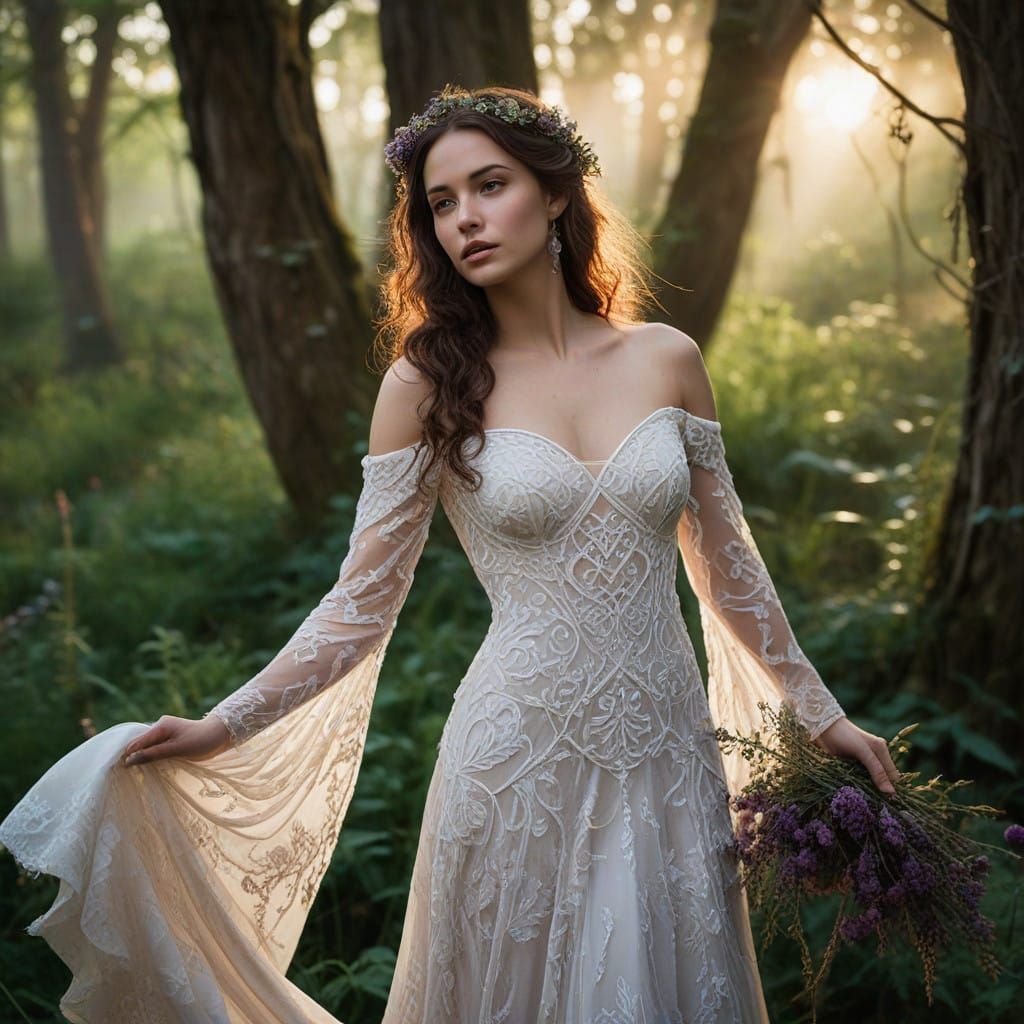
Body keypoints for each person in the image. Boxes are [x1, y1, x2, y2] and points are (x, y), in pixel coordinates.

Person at [0, 84, 900, 1023]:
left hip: (668, 757)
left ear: (554, 194)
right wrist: (222, 726)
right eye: (441, 203)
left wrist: (821, 713)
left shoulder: (667, 358)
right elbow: (361, 604)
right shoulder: (425, 385)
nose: (465, 217)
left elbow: (729, 570)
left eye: (490, 185)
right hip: (517, 765)